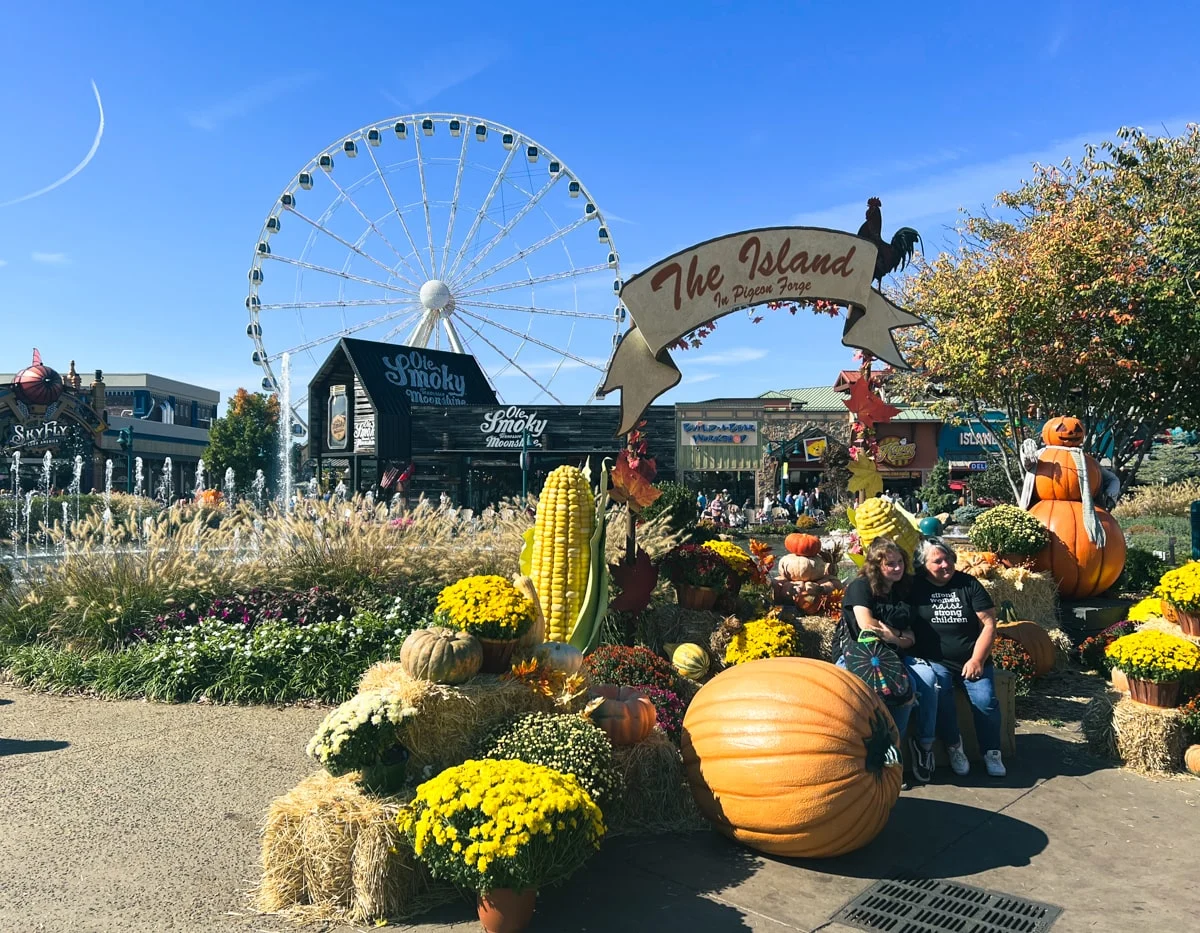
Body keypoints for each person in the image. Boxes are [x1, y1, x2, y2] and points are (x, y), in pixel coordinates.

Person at [839, 537, 939, 785]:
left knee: (928, 682)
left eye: (900, 563)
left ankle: (911, 748)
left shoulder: (904, 590)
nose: (897, 568)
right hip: (860, 655)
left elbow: (911, 638)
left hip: (894, 655)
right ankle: (868, 756)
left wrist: (893, 637)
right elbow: (867, 626)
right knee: (859, 695)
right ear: (876, 565)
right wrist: (898, 636)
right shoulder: (861, 587)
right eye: (890, 564)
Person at [909, 537, 1006, 778]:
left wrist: (977, 660)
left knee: (985, 701)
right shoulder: (914, 587)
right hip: (936, 661)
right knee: (940, 694)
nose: (945, 565)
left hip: (971, 658)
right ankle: (954, 746)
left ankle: (992, 751)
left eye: (948, 559)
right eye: (937, 561)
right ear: (923, 565)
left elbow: (989, 624)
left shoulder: (968, 584)